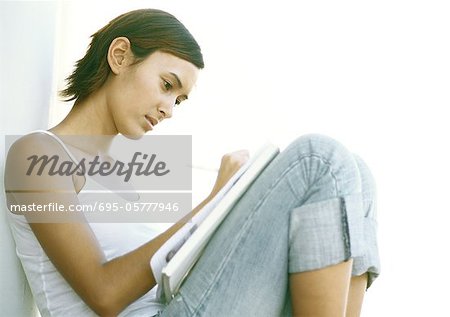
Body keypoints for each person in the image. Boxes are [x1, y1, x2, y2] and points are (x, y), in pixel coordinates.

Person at [4, 8, 380, 317]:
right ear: (120, 56)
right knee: (319, 160)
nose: (168, 109)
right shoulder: (37, 154)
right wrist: (211, 203)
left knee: (354, 172)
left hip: (174, 306)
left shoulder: (124, 169)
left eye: (178, 101)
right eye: (167, 85)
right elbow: (105, 294)